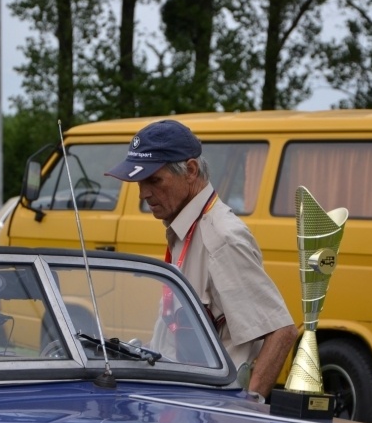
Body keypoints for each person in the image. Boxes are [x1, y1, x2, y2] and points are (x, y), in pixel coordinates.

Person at [106, 120, 298, 399]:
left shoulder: (221, 237)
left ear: (191, 171)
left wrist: (248, 407)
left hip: (210, 409)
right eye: (140, 182)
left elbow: (282, 331)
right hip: (181, 402)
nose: (144, 193)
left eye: (154, 181)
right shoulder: (186, 227)